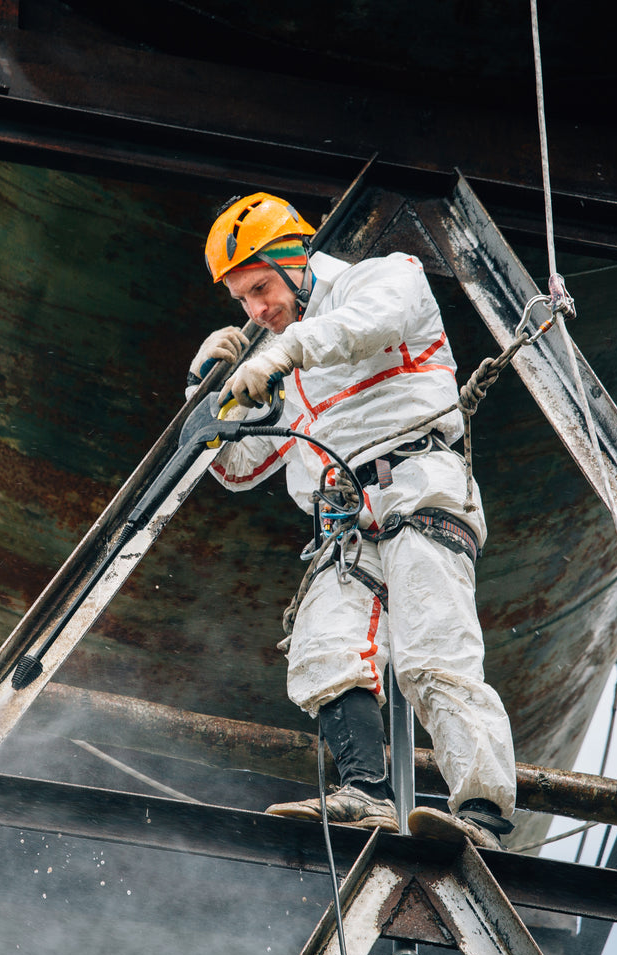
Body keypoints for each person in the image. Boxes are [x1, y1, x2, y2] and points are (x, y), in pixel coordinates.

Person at [188, 193, 517, 848]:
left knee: (433, 650)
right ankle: (362, 791)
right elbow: (236, 463)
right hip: (340, 522)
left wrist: (278, 356)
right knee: (326, 647)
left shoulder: (382, 279)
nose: (255, 310)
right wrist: (206, 385)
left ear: (293, 257)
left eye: (259, 288)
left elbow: (361, 326)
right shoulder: (279, 355)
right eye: (242, 301)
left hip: (415, 487)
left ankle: (482, 811)